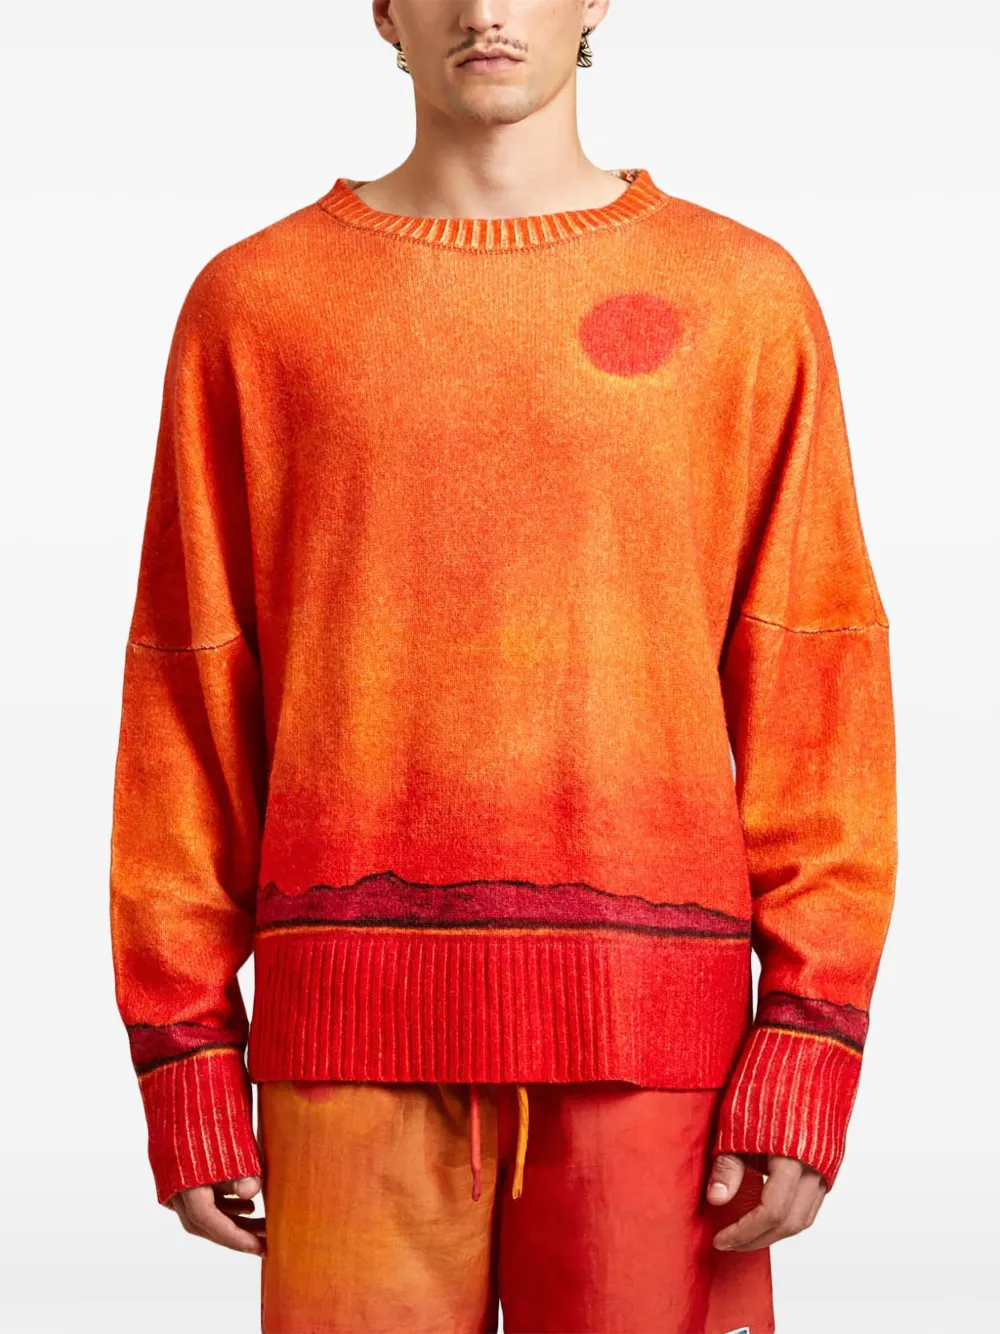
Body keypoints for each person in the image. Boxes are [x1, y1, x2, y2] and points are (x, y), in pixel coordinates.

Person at [108, 2, 898, 1331]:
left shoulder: (741, 296)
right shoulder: (257, 303)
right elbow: (187, 693)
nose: (486, 9)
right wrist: (183, 1047)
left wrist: (812, 1033)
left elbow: (817, 682)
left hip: (657, 1040)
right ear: (383, 8)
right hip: (345, 1034)